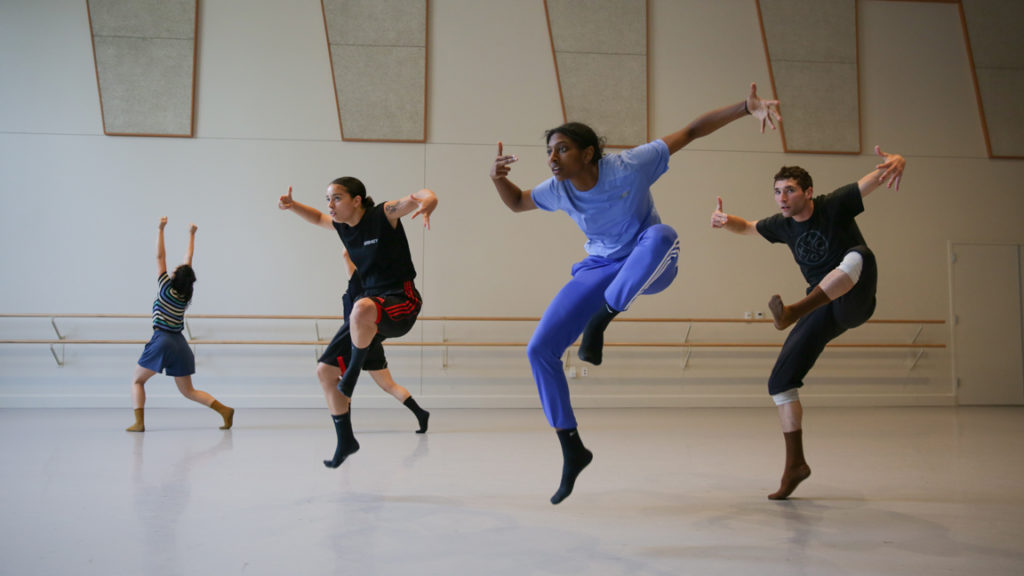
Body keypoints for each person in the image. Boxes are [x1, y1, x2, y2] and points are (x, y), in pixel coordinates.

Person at [489, 83, 781, 504]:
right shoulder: (557, 189)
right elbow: (516, 202)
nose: (552, 159)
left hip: (649, 262)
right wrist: (498, 179)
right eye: (549, 151)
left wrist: (745, 107)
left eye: (562, 149)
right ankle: (572, 448)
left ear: (589, 153)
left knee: (663, 234)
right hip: (600, 268)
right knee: (539, 349)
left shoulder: (629, 165)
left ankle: (601, 321)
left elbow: (691, 131)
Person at [710, 145, 906, 499]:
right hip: (822, 308)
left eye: (789, 190)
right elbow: (750, 227)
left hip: (854, 299)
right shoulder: (782, 226)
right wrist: (726, 222)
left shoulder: (833, 205)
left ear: (808, 192)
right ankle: (795, 465)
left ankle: (794, 312)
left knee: (859, 254)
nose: (782, 198)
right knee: (780, 382)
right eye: (777, 191)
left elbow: (869, 182)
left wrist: (896, 162)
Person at [278, 178, 437, 468]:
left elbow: (418, 196)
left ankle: (351, 374)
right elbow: (317, 218)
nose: (330, 205)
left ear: (357, 200)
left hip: (402, 301)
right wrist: (292, 206)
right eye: (328, 198)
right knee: (325, 372)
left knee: (361, 308)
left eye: (336, 198)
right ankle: (346, 440)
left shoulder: (383, 214)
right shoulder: (342, 227)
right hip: (369, 311)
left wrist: (429, 202)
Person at [126, 218, 234, 432]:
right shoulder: (185, 295)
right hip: (180, 344)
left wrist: (160, 229)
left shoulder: (165, 286)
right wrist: (192, 235)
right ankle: (224, 410)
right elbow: (188, 260)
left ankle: (139, 423)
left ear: (174, 276)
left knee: (137, 381)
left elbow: (160, 256)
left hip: (163, 340)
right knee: (188, 391)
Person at [330, 249, 431, 433]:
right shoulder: (373, 287)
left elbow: (346, 254)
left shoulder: (358, 283)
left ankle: (346, 430)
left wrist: (352, 232)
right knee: (388, 385)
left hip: (354, 344)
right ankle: (420, 413)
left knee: (345, 384)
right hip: (370, 342)